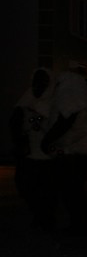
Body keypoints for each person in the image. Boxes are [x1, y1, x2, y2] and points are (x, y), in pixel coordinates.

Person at [41, 70, 87, 237]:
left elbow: (66, 119)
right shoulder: (86, 101)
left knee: (71, 192)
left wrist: (47, 140)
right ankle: (81, 226)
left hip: (69, 152)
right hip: (82, 152)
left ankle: (80, 228)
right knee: (76, 192)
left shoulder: (70, 97)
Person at [10, 68, 58, 232]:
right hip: (28, 154)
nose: (39, 87)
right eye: (37, 82)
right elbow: (15, 123)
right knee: (26, 187)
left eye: (44, 83)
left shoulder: (53, 103)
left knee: (47, 189)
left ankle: (45, 218)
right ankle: (38, 214)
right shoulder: (25, 100)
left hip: (47, 156)